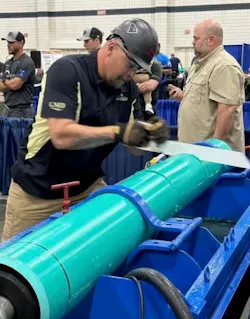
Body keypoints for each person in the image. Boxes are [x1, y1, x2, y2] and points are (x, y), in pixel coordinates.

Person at [2, 18, 169, 241]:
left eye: (139, 69)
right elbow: (61, 135)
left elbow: (131, 143)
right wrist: (119, 132)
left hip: (86, 188)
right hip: (37, 193)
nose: (132, 74)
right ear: (111, 48)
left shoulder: (126, 88)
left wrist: (150, 136)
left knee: (111, 246)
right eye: (131, 65)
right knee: (15, 269)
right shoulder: (68, 71)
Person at [169, 19, 245, 152]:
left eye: (196, 38)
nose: (192, 42)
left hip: (211, 159)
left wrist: (213, 152)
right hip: (196, 153)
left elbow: (227, 110)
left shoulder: (224, 66)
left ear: (210, 40)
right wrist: (182, 96)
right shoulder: (199, 64)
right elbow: (203, 101)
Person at [0, 31, 36, 118]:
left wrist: (5, 80)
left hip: (22, 110)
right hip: (7, 108)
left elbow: (15, 85)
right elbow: (1, 88)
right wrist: (10, 82)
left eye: (12, 42)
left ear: (21, 43)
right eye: (8, 42)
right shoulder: (8, 63)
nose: (8, 45)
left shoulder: (27, 62)